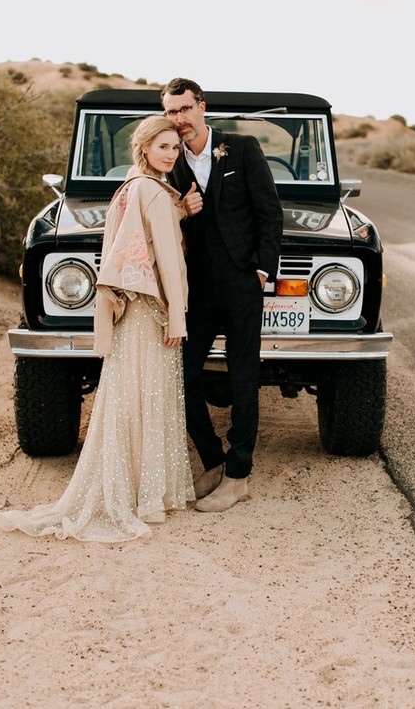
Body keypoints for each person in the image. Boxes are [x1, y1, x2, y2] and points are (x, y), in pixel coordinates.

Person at [0, 117, 194, 542]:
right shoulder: (154, 193)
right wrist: (178, 316)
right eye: (163, 147)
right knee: (151, 395)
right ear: (144, 148)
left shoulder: (128, 189)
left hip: (129, 309)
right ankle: (146, 494)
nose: (171, 155)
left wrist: (180, 207)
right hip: (154, 308)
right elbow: (170, 262)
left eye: (175, 149)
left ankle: (127, 487)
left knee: (127, 394)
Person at [161, 77, 283, 512]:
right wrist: (181, 210)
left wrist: (263, 270)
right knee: (183, 374)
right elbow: (158, 222)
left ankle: (238, 476)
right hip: (195, 288)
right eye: (172, 112)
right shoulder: (168, 161)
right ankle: (214, 460)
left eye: (185, 110)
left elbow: (270, 212)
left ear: (202, 108)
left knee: (243, 375)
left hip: (242, 282)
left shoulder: (242, 148)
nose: (179, 120)